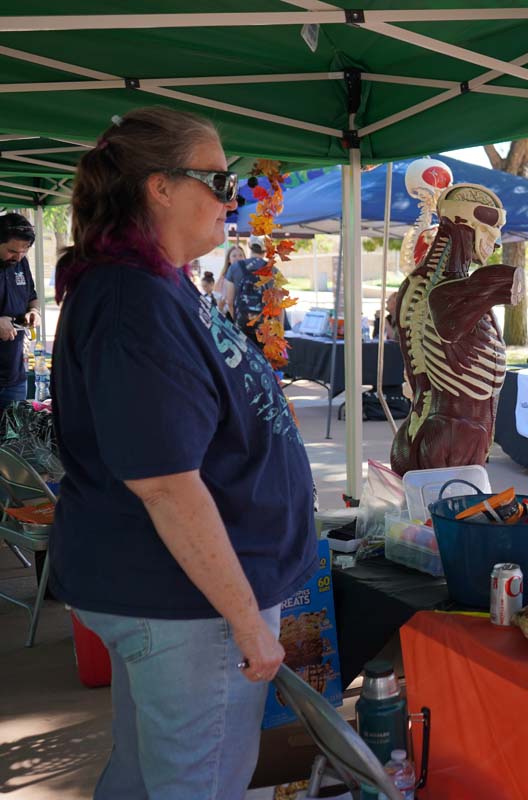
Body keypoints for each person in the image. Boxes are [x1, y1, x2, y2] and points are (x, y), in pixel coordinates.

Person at [48, 106, 316, 799]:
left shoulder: (156, 283)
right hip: (187, 605)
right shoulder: (130, 298)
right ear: (159, 188)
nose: (234, 198)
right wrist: (245, 621)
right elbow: (164, 484)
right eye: (220, 180)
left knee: (146, 778)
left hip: (179, 599)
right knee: (198, 786)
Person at [0, 212, 40, 407]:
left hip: (15, 376)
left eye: (24, 251)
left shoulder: (21, 262)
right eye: (12, 251)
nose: (18, 256)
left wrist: (34, 312)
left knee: (16, 437)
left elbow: (32, 297)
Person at [226, 236, 269, 345]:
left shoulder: (234, 268)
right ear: (266, 249)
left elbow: (229, 301)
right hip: (265, 328)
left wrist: (237, 321)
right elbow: (278, 305)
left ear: (249, 247)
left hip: (242, 326)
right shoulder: (272, 268)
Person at [216, 242, 245, 318]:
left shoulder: (250, 276)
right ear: (229, 259)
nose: (238, 258)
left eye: (240, 255)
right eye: (234, 256)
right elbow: (221, 305)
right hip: (229, 317)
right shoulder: (222, 279)